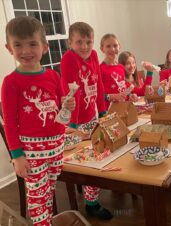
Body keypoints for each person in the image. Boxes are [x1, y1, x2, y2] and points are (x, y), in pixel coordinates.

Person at [2, 16, 75, 226]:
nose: (25, 51)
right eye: (18, 45)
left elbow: (62, 107)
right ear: (9, 48)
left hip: (56, 146)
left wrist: (68, 106)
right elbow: (9, 122)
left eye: (32, 44)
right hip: (31, 150)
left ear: (44, 46)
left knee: (49, 189)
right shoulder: (11, 82)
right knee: (36, 195)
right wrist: (17, 156)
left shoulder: (53, 75)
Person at [60, 22, 113, 220]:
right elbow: (71, 92)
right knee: (90, 160)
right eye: (79, 42)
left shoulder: (94, 56)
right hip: (75, 120)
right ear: (70, 43)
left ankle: (89, 194)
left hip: (91, 116)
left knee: (95, 156)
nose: (84, 46)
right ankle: (92, 204)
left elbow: (98, 85)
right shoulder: (68, 59)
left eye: (88, 41)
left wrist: (102, 112)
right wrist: (73, 126)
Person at [99, 34, 138, 109]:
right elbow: (98, 95)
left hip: (124, 108)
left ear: (119, 47)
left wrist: (130, 96)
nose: (112, 49)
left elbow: (122, 88)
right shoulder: (100, 69)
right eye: (108, 46)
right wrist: (113, 96)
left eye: (115, 46)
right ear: (102, 49)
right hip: (109, 111)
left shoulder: (120, 67)